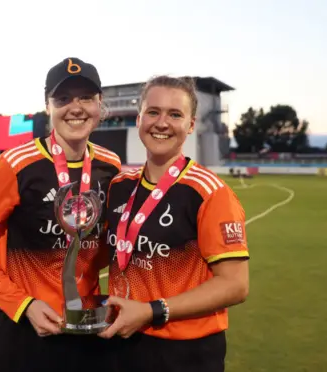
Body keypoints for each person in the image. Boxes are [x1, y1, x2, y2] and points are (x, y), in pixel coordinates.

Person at [0, 57, 122, 372]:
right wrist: (23, 305)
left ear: (100, 105)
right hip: (24, 331)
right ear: (47, 106)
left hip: (87, 329)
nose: (76, 107)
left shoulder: (110, 166)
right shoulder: (16, 165)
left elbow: (105, 244)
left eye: (86, 97)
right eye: (63, 98)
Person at [98, 75, 250, 372]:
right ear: (139, 118)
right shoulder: (119, 185)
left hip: (184, 352)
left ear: (191, 125)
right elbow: (107, 253)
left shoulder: (209, 192)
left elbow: (235, 285)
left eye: (175, 114)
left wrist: (152, 311)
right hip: (120, 339)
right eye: (153, 112)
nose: (162, 123)